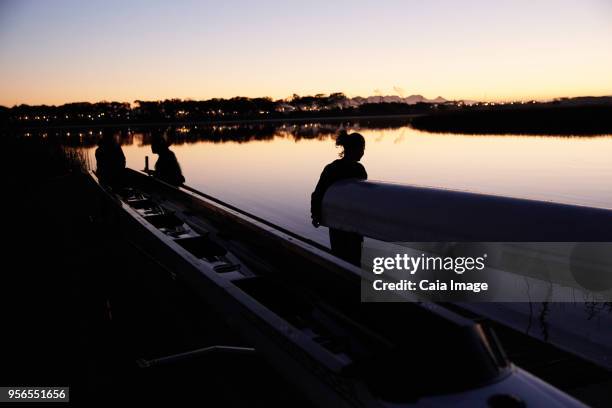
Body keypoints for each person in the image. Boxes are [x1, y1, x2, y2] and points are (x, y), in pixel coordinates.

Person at [311, 130, 367, 266]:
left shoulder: (332, 168)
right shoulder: (358, 170)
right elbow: (363, 197)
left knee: (339, 256)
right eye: (362, 148)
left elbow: (318, 194)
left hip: (337, 220)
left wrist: (316, 215)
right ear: (354, 149)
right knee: (354, 259)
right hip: (353, 223)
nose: (363, 152)